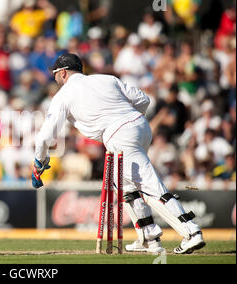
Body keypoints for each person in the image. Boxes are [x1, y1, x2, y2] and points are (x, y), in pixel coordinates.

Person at [32, 53, 206, 254]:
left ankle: (191, 231)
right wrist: (128, 119)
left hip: (119, 135)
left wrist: (39, 162)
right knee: (123, 184)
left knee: (149, 185)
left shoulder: (62, 96)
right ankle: (148, 236)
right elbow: (144, 99)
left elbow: (45, 137)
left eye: (55, 75)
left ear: (62, 73)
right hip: (140, 126)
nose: (54, 79)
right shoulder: (105, 78)